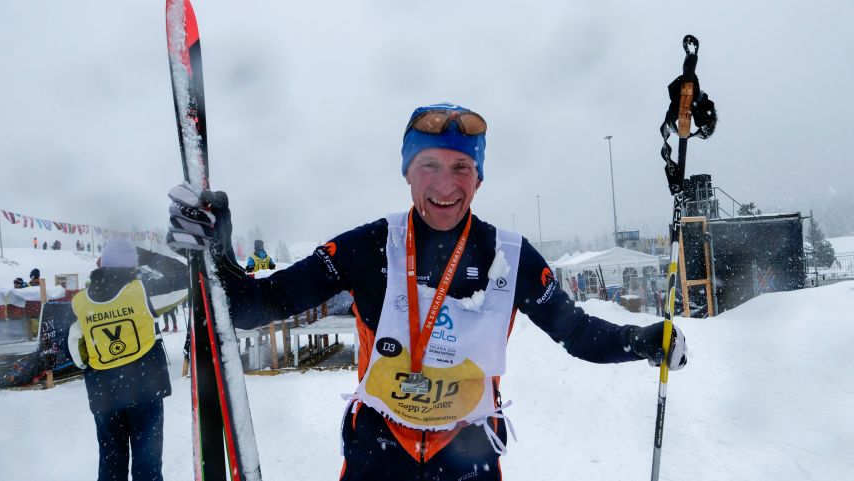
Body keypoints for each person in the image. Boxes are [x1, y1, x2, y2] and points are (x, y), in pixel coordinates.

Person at [167, 102, 688, 480]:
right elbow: (257, 305)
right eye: (429, 166)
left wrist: (639, 340)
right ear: (407, 174)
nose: (445, 184)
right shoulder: (368, 246)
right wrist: (217, 248)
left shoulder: (508, 256)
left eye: (461, 166)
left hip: (468, 456)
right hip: (379, 451)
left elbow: (575, 332)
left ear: (479, 177)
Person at [67, 239, 188, 481]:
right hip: (144, 388)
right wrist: (146, 256)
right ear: (132, 266)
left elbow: (76, 347)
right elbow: (186, 278)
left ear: (100, 264)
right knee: (147, 462)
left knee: (111, 460)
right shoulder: (142, 293)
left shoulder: (81, 301)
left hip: (104, 394)